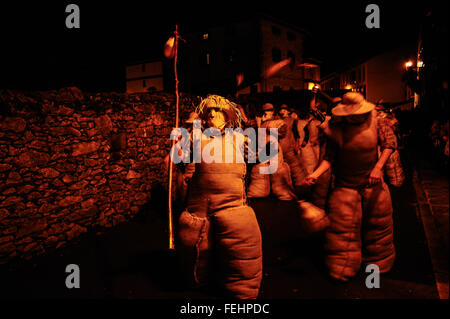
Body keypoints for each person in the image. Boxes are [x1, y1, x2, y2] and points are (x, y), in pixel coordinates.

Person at [176, 95, 262, 299]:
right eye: (208, 111)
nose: (212, 114)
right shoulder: (196, 138)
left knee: (241, 251)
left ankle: (242, 292)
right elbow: (182, 160)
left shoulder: (240, 138)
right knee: (195, 249)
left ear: (227, 115)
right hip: (200, 205)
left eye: (217, 110)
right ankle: (199, 281)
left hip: (232, 205)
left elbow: (256, 157)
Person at [305, 92, 397, 282]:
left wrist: (378, 168)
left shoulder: (377, 122)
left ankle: (379, 263)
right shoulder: (337, 127)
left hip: (373, 182)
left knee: (378, 226)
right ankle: (342, 266)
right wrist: (315, 174)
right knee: (342, 230)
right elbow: (330, 158)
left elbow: (389, 144)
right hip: (346, 186)